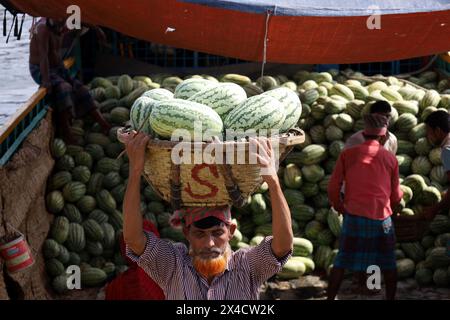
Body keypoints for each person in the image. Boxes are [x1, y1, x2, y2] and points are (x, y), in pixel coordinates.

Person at [123, 132, 293, 299]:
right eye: (199, 234)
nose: (209, 243)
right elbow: (133, 239)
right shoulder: (173, 266)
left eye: (217, 232)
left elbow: (283, 246)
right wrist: (135, 171)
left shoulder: (247, 266)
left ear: (231, 231)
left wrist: (273, 182)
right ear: (186, 233)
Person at [327, 113, 403, 300]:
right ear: (384, 136)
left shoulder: (348, 154)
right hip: (381, 218)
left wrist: (338, 206)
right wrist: (393, 206)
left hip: (354, 216)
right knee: (386, 262)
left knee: (342, 260)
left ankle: (330, 298)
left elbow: (333, 186)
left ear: (363, 133)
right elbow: (396, 194)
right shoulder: (390, 159)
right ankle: (381, 293)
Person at [343, 100, 397, 295]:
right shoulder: (356, 141)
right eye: (381, 116)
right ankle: (363, 282)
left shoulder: (392, 140)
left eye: (387, 116)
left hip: (380, 201)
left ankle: (371, 285)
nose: (385, 120)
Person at [29, 17, 110, 143]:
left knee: (80, 88)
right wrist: (46, 81)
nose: (63, 30)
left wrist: (97, 29)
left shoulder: (63, 22)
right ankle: (65, 130)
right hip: (40, 68)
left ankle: (103, 123)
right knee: (64, 88)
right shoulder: (42, 29)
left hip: (58, 67)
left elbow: (82, 21)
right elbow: (43, 57)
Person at [423, 110, 450, 220]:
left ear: (438, 131)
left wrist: (435, 208)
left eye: (428, 132)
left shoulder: (447, 150)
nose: (427, 136)